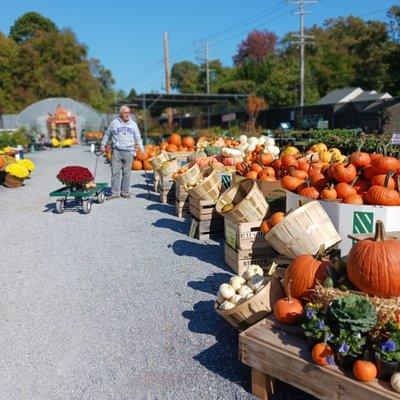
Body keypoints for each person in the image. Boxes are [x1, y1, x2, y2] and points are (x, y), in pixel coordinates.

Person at [100, 105, 144, 200]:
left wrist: (142, 149)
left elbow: (138, 137)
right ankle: (115, 193)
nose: (127, 114)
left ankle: (125, 192)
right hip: (117, 151)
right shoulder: (114, 123)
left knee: (126, 173)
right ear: (120, 113)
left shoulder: (133, 124)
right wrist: (102, 145)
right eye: (125, 112)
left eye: (128, 112)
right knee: (115, 172)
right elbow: (107, 134)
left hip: (129, 151)